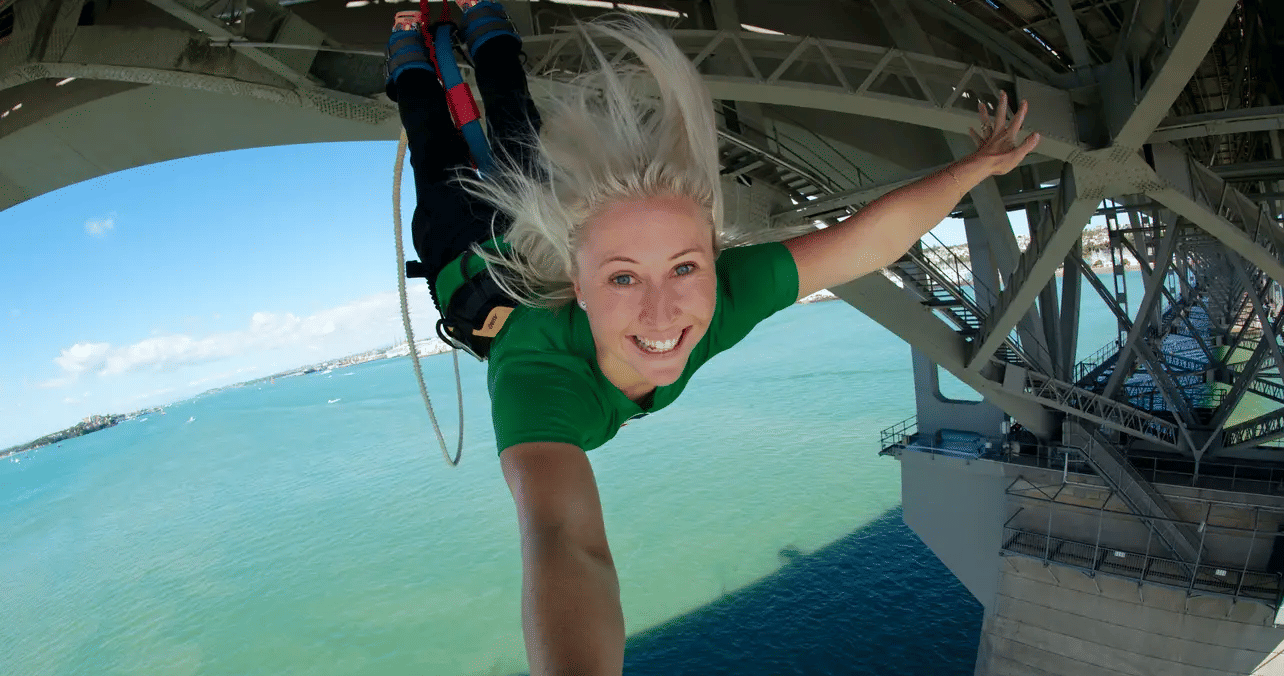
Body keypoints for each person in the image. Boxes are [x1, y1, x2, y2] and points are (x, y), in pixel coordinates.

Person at [386, 6, 1040, 674]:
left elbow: (865, 243)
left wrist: (977, 166)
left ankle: (455, 29)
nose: (661, 313)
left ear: (713, 260)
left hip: (499, 244)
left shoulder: (725, 293)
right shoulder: (536, 380)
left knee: (485, 123)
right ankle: (421, 42)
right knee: (452, 140)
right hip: (463, 241)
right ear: (577, 286)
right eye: (622, 278)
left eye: (683, 268)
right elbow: (562, 542)